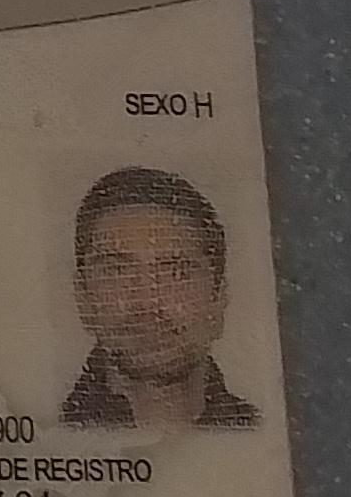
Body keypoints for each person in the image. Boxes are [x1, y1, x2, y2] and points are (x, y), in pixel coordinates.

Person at [58, 167, 260, 429]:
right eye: (117, 271)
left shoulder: (262, 430)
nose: (146, 300)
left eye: (177, 272)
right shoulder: (48, 434)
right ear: (84, 297)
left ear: (218, 299)